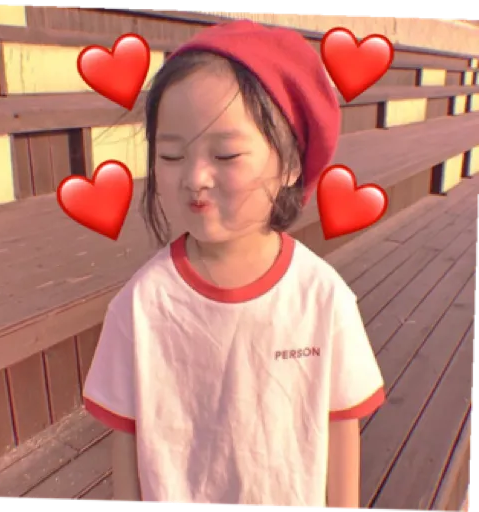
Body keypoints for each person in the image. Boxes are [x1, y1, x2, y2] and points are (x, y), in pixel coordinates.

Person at [83, 19, 385, 509]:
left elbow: (341, 423)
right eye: (171, 155)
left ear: (291, 163)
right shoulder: (141, 304)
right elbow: (127, 435)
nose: (195, 178)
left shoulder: (321, 297)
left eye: (225, 155)